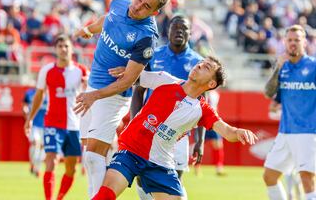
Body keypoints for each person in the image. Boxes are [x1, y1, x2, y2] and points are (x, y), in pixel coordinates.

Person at [92, 57, 258, 200]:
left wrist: (238, 132)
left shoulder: (203, 110)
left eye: (206, 67)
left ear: (211, 83)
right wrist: (126, 70)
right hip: (130, 151)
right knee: (106, 194)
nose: (199, 65)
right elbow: (134, 77)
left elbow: (227, 131)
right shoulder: (165, 80)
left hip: (160, 164)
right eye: (200, 63)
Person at [74, 0, 170, 198]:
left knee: (92, 155)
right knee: (92, 153)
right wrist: (88, 30)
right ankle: (114, 178)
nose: (137, 7)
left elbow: (128, 81)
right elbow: (106, 21)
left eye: (146, 6)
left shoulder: (146, 37)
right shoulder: (119, 4)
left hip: (113, 95)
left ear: (154, 12)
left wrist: (94, 96)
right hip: (93, 85)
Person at [130, 15, 203, 200]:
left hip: (179, 132)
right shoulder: (154, 55)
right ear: (168, 31)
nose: (179, 31)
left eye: (184, 28)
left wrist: (200, 141)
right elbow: (139, 91)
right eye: (175, 27)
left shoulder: (198, 62)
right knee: (141, 177)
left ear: (190, 33)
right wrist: (134, 122)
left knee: (173, 180)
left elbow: (203, 103)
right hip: (150, 126)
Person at [24, 34, 88, 200]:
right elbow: (39, 96)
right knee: (51, 159)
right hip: (53, 123)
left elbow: (90, 96)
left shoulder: (81, 71)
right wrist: (30, 119)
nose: (63, 49)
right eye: (60, 46)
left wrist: (87, 85)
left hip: (74, 126)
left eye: (66, 46)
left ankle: (59, 197)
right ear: (55, 49)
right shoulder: (47, 70)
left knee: (71, 168)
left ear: (71, 49)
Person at [263, 25, 316, 200]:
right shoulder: (282, 67)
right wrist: (277, 67)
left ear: (305, 42)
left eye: (297, 40)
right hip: (285, 131)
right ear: (285, 42)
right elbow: (268, 93)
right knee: (269, 176)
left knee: (307, 179)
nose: (293, 43)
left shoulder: (313, 66)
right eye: (290, 40)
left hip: (308, 132)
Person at [194, 91, 226, 176]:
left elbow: (215, 108)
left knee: (218, 144)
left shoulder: (216, 94)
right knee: (199, 144)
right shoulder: (200, 91)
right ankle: (197, 167)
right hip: (201, 121)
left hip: (212, 121)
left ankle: (219, 167)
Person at [23, 86, 48, 177]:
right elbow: (24, 104)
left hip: (46, 125)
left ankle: (37, 168)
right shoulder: (29, 93)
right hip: (34, 124)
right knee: (35, 143)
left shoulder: (50, 93)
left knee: (42, 147)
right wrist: (26, 116)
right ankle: (32, 163)